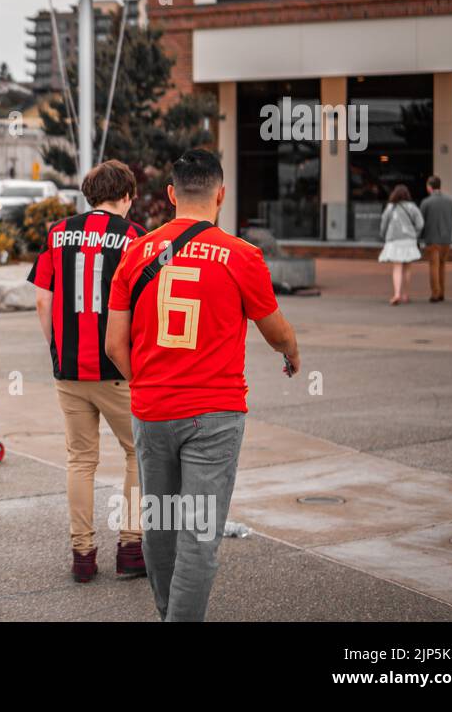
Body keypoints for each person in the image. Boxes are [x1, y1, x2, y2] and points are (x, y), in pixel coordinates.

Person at [105, 149, 299, 622]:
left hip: (152, 410)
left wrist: (147, 382)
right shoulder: (242, 256)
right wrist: (292, 354)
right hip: (215, 413)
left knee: (161, 525)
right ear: (221, 195)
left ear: (171, 195)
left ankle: (169, 612)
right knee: (199, 534)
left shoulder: (135, 252)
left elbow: (113, 344)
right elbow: (275, 331)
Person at [27, 159, 147, 583]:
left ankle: (82, 554)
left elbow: (43, 299)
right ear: (127, 196)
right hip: (117, 367)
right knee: (137, 454)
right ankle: (131, 548)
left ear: (89, 195)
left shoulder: (59, 233)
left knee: (80, 460)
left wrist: (57, 348)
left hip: (69, 367)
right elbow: (146, 304)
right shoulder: (134, 237)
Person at [379, 183, 425, 305]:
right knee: (408, 267)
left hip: (394, 240)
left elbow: (383, 223)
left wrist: (383, 235)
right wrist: (414, 234)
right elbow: (420, 223)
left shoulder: (390, 207)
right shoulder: (412, 207)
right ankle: (405, 294)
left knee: (397, 267)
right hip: (409, 240)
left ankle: (396, 294)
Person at [419, 175, 452, 303]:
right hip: (446, 239)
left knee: (433, 266)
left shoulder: (426, 202)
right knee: (442, 265)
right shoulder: (450, 200)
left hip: (432, 238)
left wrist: (419, 238)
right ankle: (442, 293)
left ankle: (435, 293)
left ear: (429, 186)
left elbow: (420, 221)